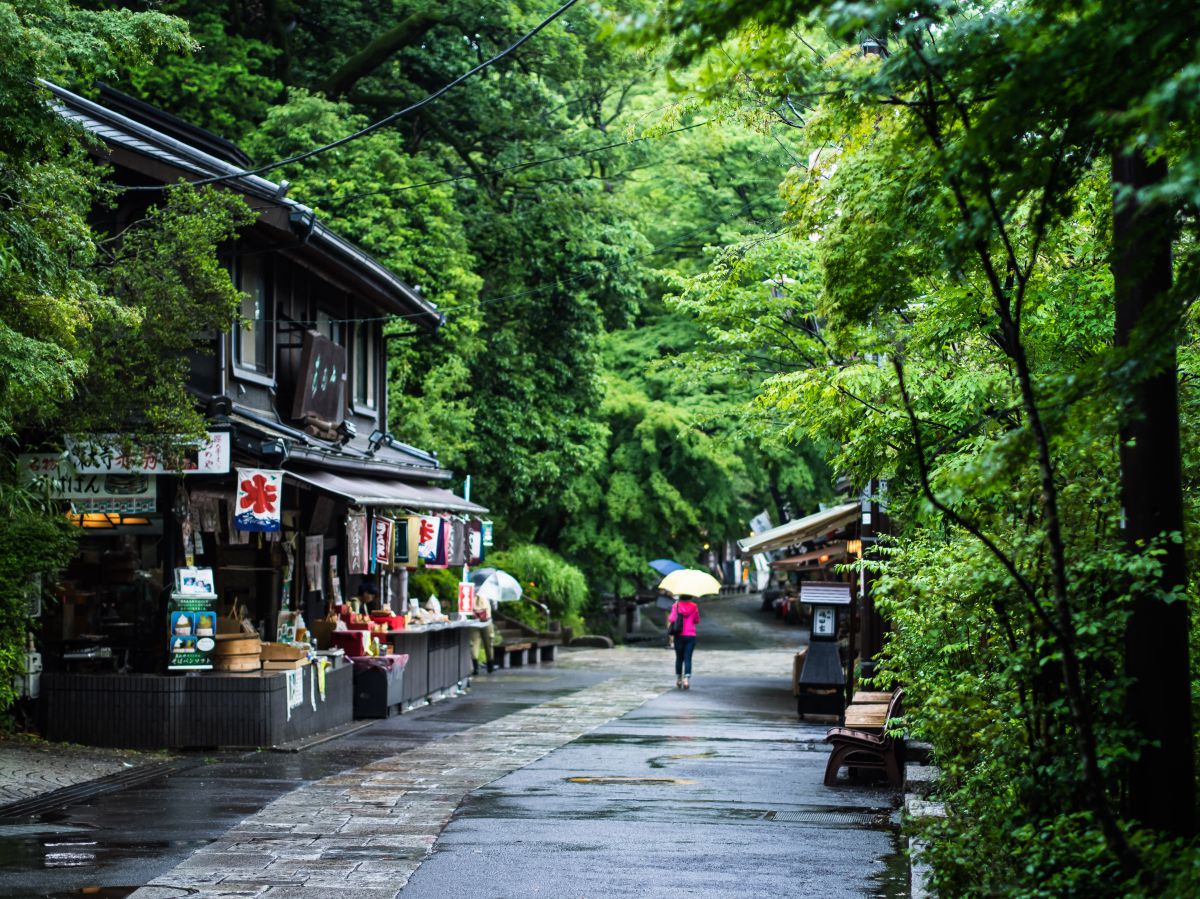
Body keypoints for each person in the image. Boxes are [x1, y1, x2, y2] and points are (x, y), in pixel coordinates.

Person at [667, 596, 701, 690]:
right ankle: (686, 680)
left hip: (679, 635)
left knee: (679, 658)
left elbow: (672, 619)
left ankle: (678, 679)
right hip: (690, 635)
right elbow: (697, 620)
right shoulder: (694, 606)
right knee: (688, 658)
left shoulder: (676, 605)